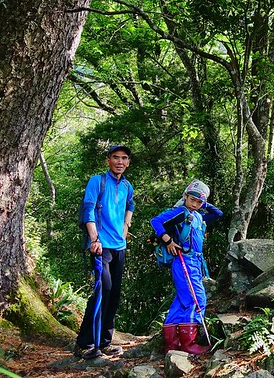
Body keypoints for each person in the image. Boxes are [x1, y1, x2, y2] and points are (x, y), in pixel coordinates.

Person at [75, 144, 135, 360]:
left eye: (124, 158)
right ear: (108, 160)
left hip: (120, 246)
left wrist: (126, 226)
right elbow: (88, 209)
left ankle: (105, 342)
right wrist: (94, 239)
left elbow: (131, 204)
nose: (120, 162)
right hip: (101, 246)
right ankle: (85, 343)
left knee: (115, 293)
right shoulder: (97, 181)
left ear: (128, 162)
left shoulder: (127, 186)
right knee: (103, 291)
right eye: (116, 157)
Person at [150, 179, 223, 354]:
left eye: (199, 202)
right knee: (197, 299)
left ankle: (172, 345)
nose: (196, 204)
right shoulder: (182, 212)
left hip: (195, 262)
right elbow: (156, 221)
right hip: (184, 260)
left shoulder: (198, 215)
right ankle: (188, 345)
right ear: (185, 196)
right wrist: (168, 240)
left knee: (181, 302)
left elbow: (218, 213)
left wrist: (202, 194)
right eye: (192, 199)